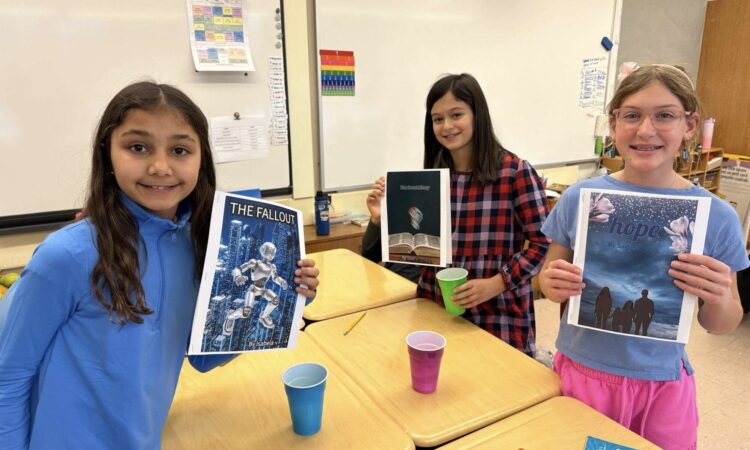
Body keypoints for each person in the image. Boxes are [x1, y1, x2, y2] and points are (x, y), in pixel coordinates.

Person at [0, 81, 319, 449]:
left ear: (202, 159)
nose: (160, 166)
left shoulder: (199, 245)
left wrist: (292, 302)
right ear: (107, 153)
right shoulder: (67, 255)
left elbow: (202, 356)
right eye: (138, 147)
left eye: (180, 150)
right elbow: (7, 377)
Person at [538, 64, 749, 449]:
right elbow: (549, 281)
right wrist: (551, 282)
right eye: (632, 115)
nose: (646, 130)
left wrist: (719, 295)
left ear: (690, 125)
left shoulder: (716, 217)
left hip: (660, 385)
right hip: (581, 373)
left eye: (665, 115)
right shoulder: (578, 199)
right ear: (614, 123)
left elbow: (721, 324)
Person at [367, 73, 550, 356]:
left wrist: (496, 283)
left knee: (498, 385)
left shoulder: (515, 172)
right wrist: (385, 219)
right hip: (437, 303)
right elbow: (415, 246)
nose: (447, 126)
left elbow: (543, 243)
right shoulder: (429, 180)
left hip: (497, 310)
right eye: (437, 119)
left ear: (478, 115)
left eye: (456, 115)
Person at [361, 193, 421, 283]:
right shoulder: (401, 201)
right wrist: (377, 220)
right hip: (393, 281)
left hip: (422, 286)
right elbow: (369, 257)